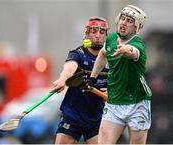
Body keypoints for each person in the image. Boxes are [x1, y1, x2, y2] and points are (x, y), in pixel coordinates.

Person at [90, 5, 152, 144]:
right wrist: (93, 78)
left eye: (130, 21)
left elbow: (133, 52)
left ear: (137, 28)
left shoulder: (138, 44)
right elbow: (102, 54)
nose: (124, 22)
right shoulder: (111, 38)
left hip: (138, 103)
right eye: (123, 18)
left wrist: (125, 50)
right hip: (114, 102)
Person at [51, 16, 109, 144]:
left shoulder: (112, 59)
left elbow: (119, 82)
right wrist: (62, 79)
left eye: (102, 32)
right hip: (73, 115)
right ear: (87, 34)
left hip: (97, 118)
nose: (98, 36)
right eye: (94, 32)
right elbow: (69, 67)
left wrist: (112, 92)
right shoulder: (78, 53)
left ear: (106, 36)